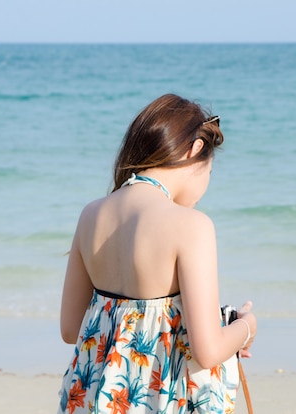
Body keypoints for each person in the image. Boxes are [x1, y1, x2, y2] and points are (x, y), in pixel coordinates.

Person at [58, 94, 257, 414]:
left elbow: (71, 329)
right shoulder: (191, 225)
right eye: (209, 170)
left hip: (95, 399)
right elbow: (207, 351)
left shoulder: (91, 214)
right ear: (195, 151)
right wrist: (246, 327)